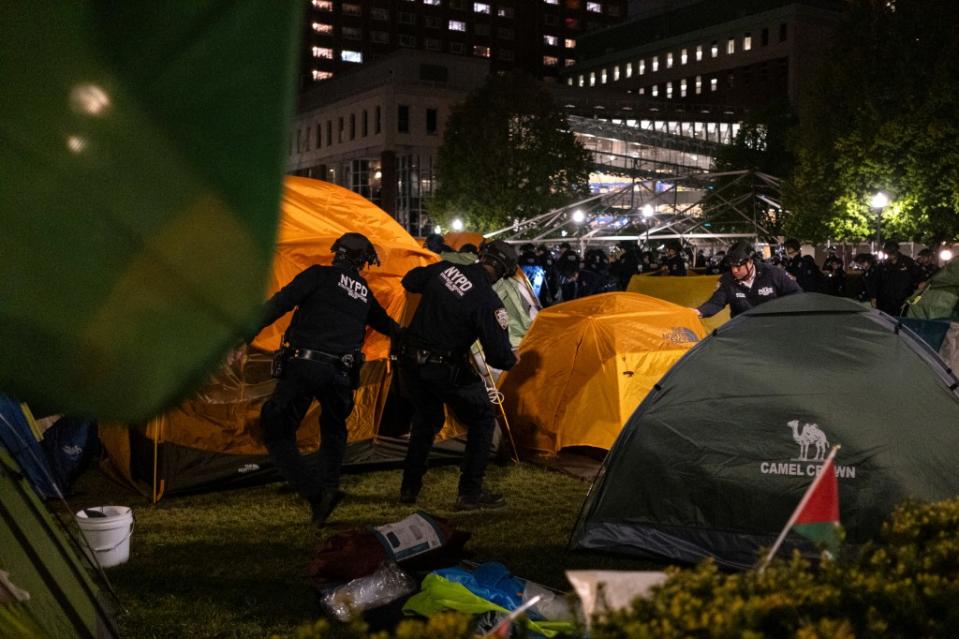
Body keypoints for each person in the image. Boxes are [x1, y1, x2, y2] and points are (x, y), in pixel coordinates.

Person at [256, 233, 400, 525]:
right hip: (341, 373)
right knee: (334, 428)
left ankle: (314, 492)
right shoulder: (363, 292)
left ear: (337, 253)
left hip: (305, 365)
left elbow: (279, 304)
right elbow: (388, 325)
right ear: (362, 262)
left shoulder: (318, 275)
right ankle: (329, 486)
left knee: (276, 427)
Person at [396, 240, 519, 510]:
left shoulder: (444, 269)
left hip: (409, 363)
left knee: (427, 418)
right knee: (483, 416)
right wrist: (513, 358)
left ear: (481, 256)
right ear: (503, 271)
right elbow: (499, 356)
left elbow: (410, 280)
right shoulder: (488, 301)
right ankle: (469, 493)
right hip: (443, 368)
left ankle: (409, 488)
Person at [694, 240, 801, 318]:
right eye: (732, 266)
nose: (734, 270)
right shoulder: (727, 280)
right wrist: (699, 312)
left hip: (773, 328)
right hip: (742, 331)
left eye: (738, 266)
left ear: (750, 262)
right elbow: (716, 303)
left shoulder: (774, 274)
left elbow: (797, 295)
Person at [872, 240, 923, 316]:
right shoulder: (883, 265)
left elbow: (919, 277)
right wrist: (874, 297)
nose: (890, 255)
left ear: (896, 251)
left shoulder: (908, 263)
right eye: (888, 253)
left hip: (903, 301)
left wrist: (920, 285)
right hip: (886, 302)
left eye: (892, 253)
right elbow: (876, 282)